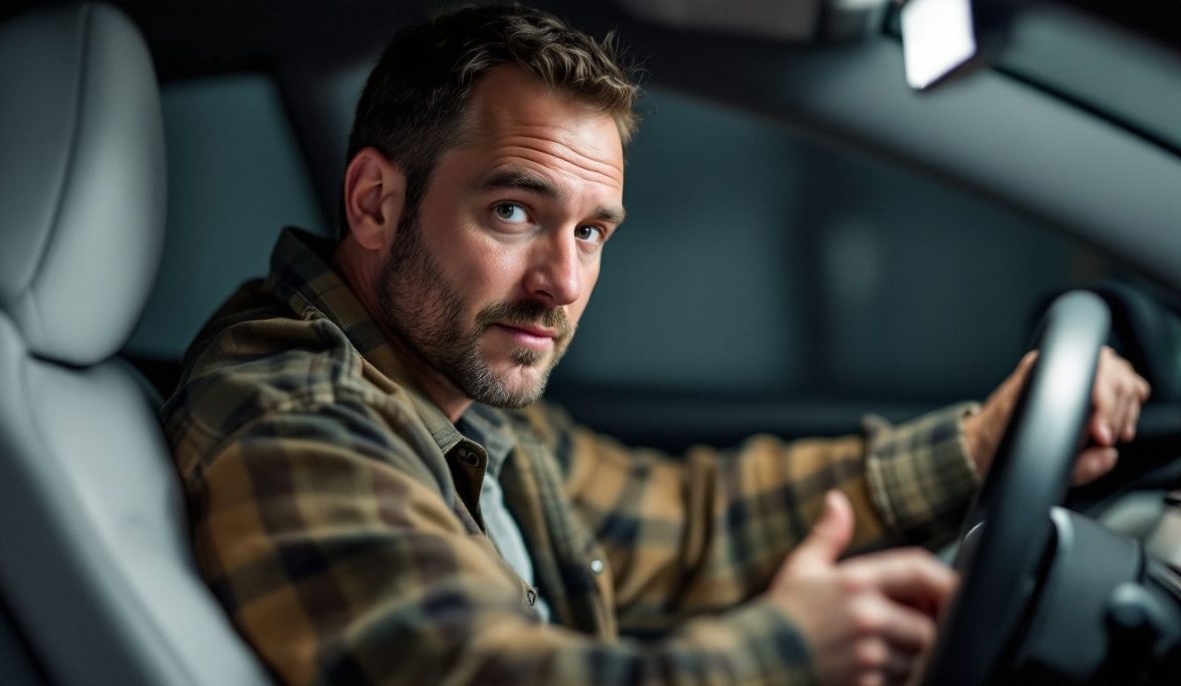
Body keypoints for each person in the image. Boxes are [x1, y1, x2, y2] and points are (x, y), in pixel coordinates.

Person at [164, 5, 1151, 685]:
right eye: (515, 210)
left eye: (592, 231)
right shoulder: (298, 412)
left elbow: (683, 524)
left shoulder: (444, 397)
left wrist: (979, 445)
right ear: (377, 201)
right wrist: (784, 654)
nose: (563, 282)